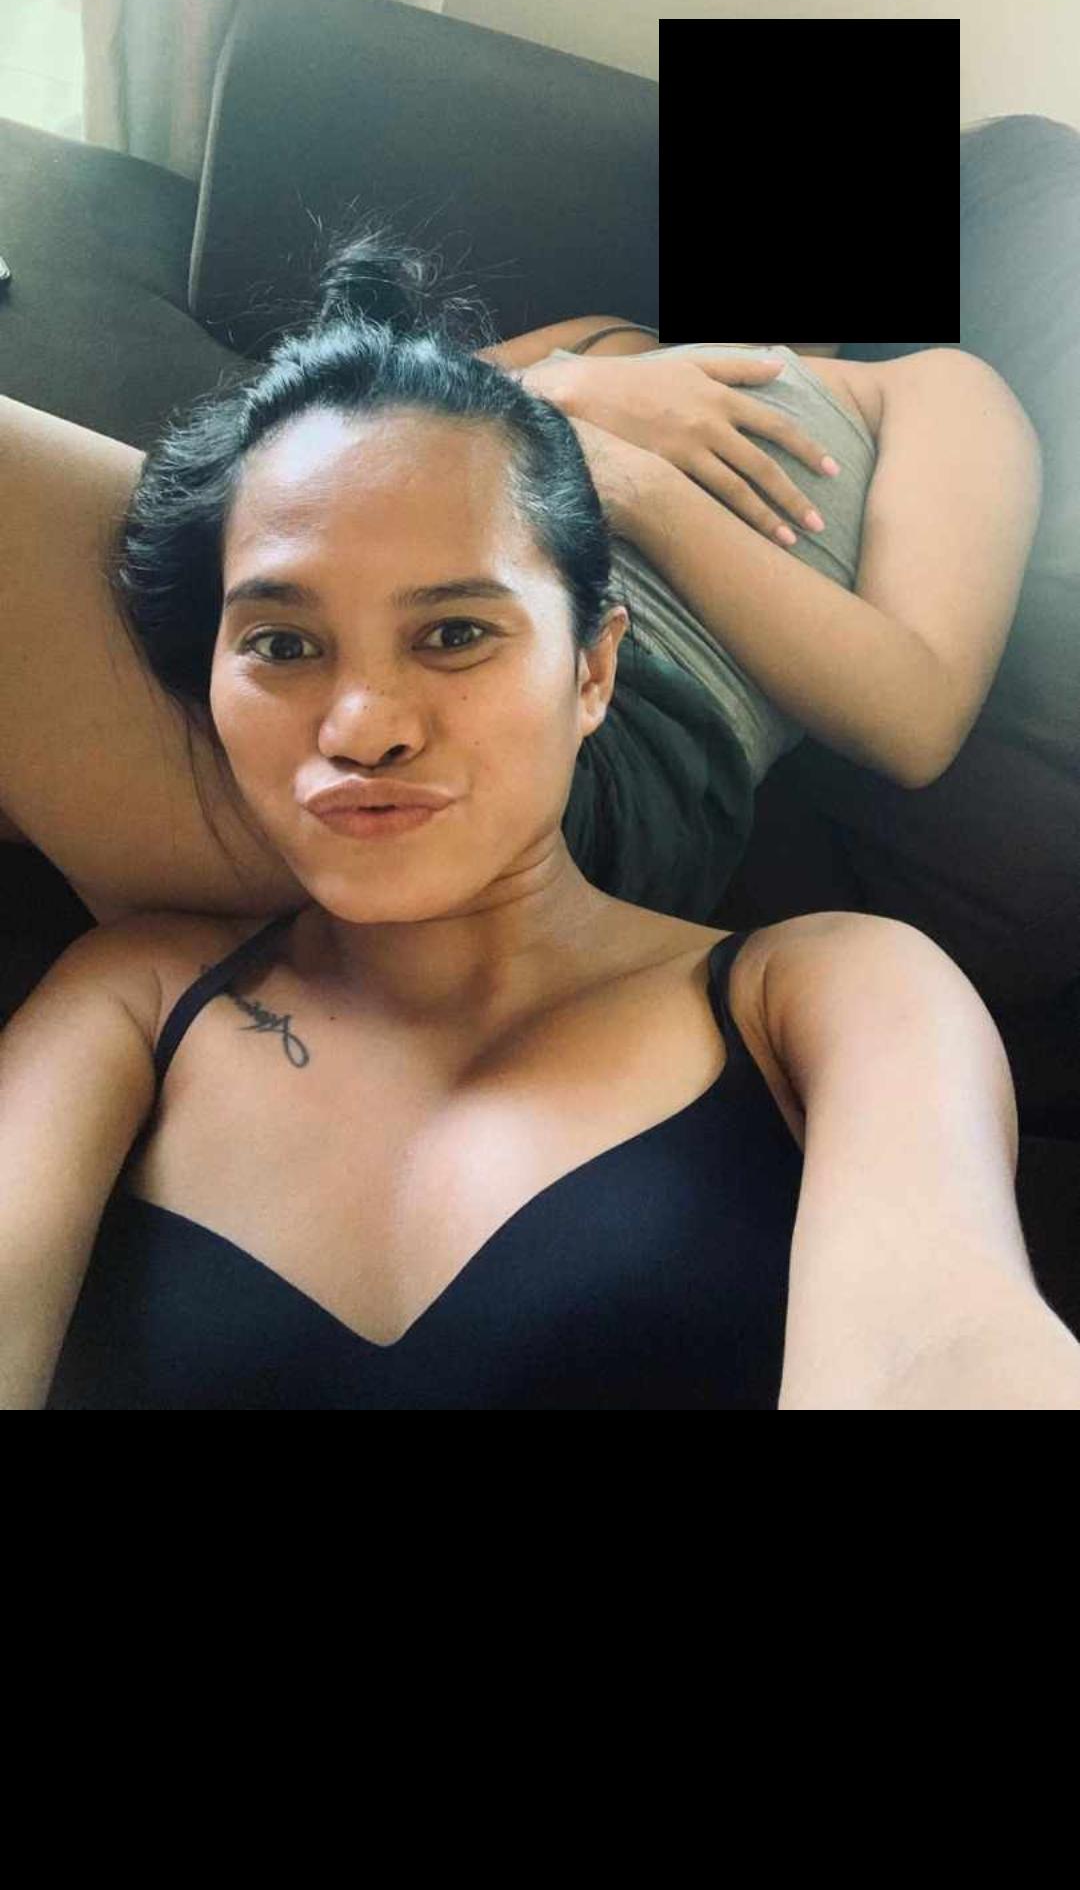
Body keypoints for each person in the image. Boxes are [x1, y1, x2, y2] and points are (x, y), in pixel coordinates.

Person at [1, 218, 1075, 1407]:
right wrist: (572, 385)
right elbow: (375, 446)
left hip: (631, 750)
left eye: (453, 630)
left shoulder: (926, 391)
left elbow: (914, 712)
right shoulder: (599, 347)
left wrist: (626, 479)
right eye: (280, 643)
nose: (363, 726)